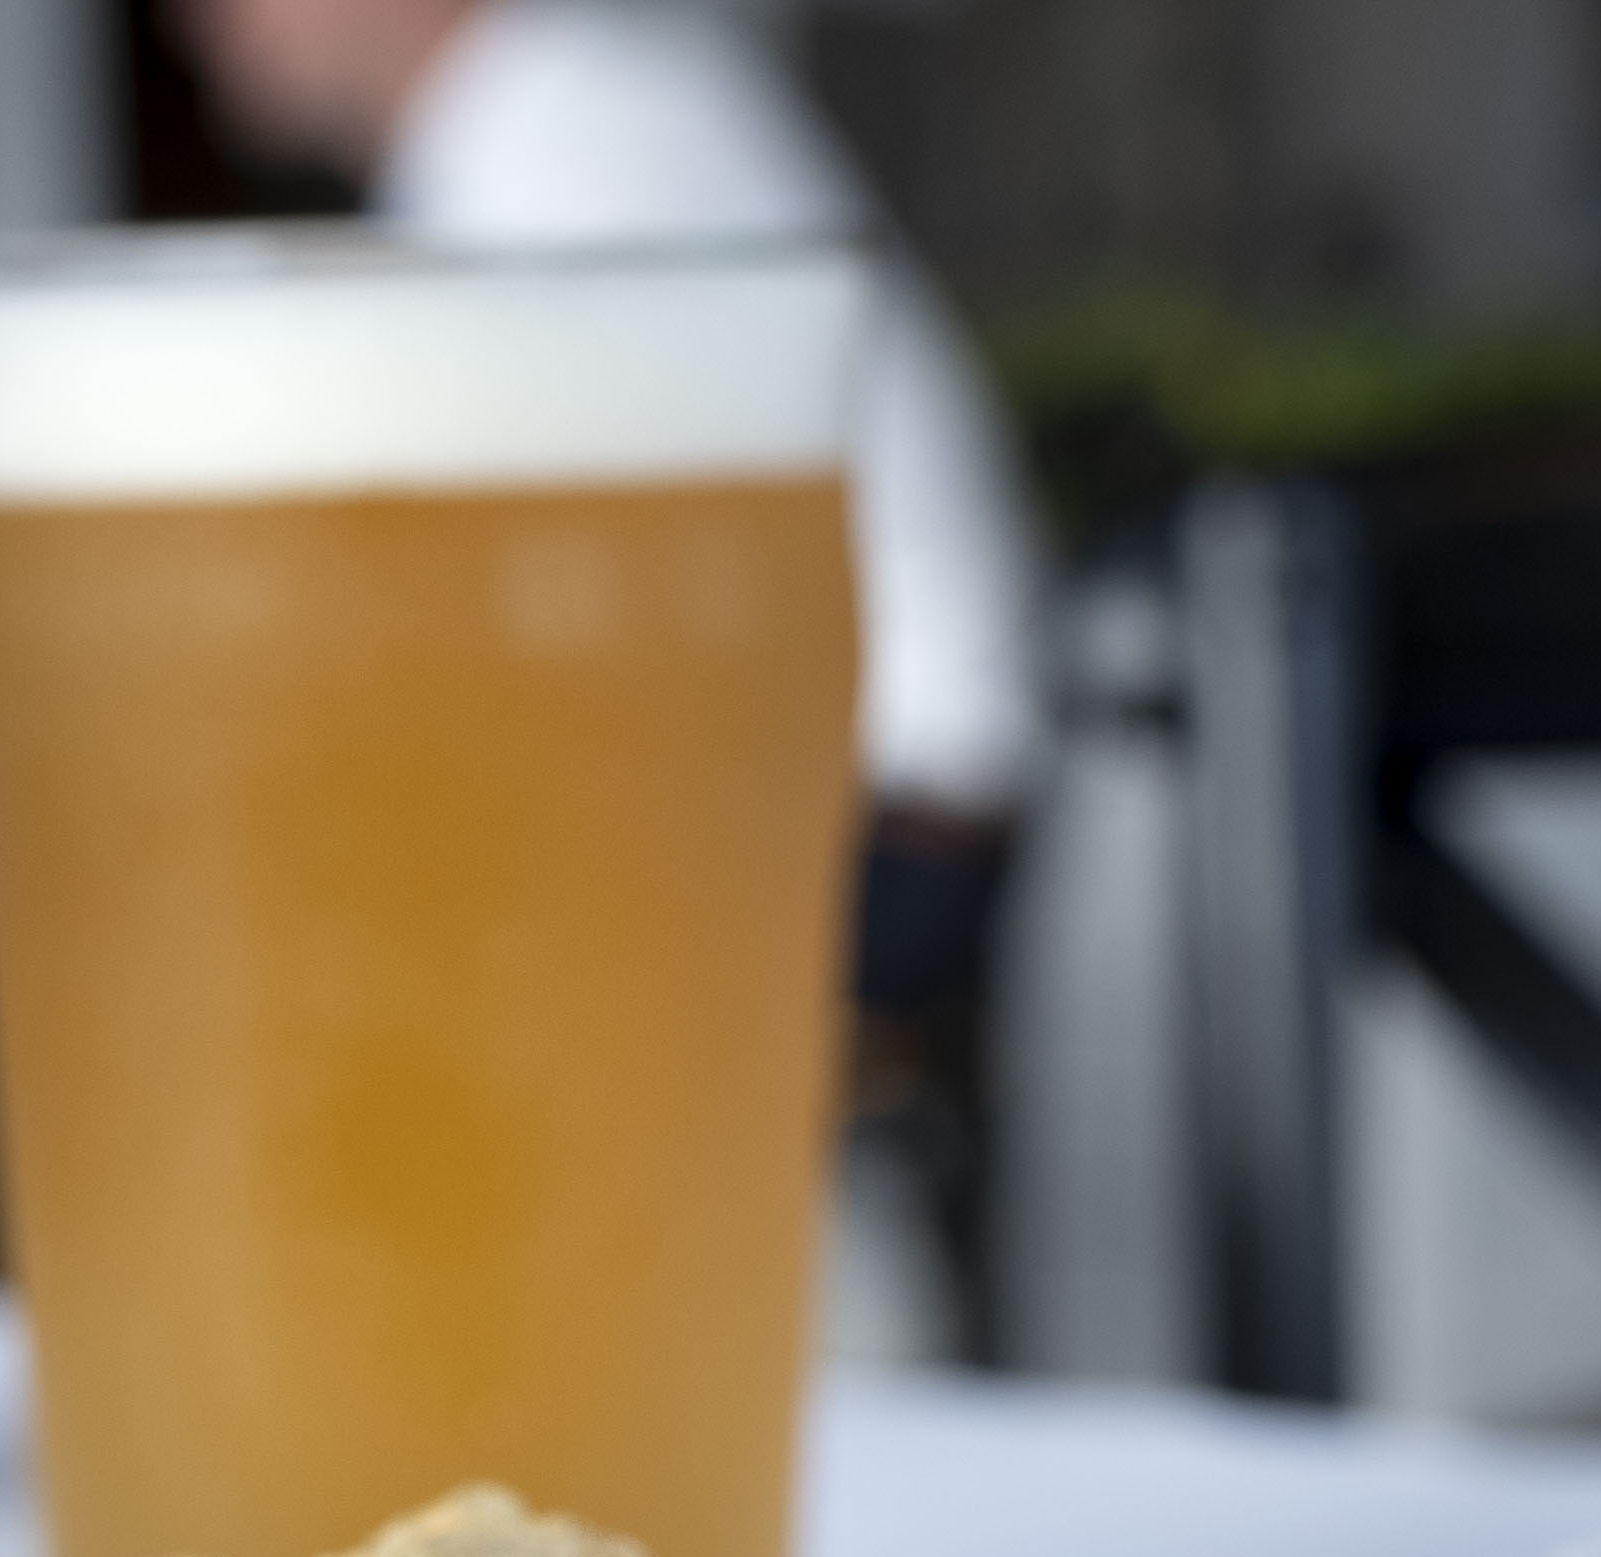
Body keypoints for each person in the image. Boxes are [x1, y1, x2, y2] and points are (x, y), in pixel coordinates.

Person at [172, 0, 1045, 1348]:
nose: (201, 26)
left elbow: (550, 626)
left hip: (866, 816)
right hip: (818, 788)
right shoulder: (538, 120)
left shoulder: (558, 142)